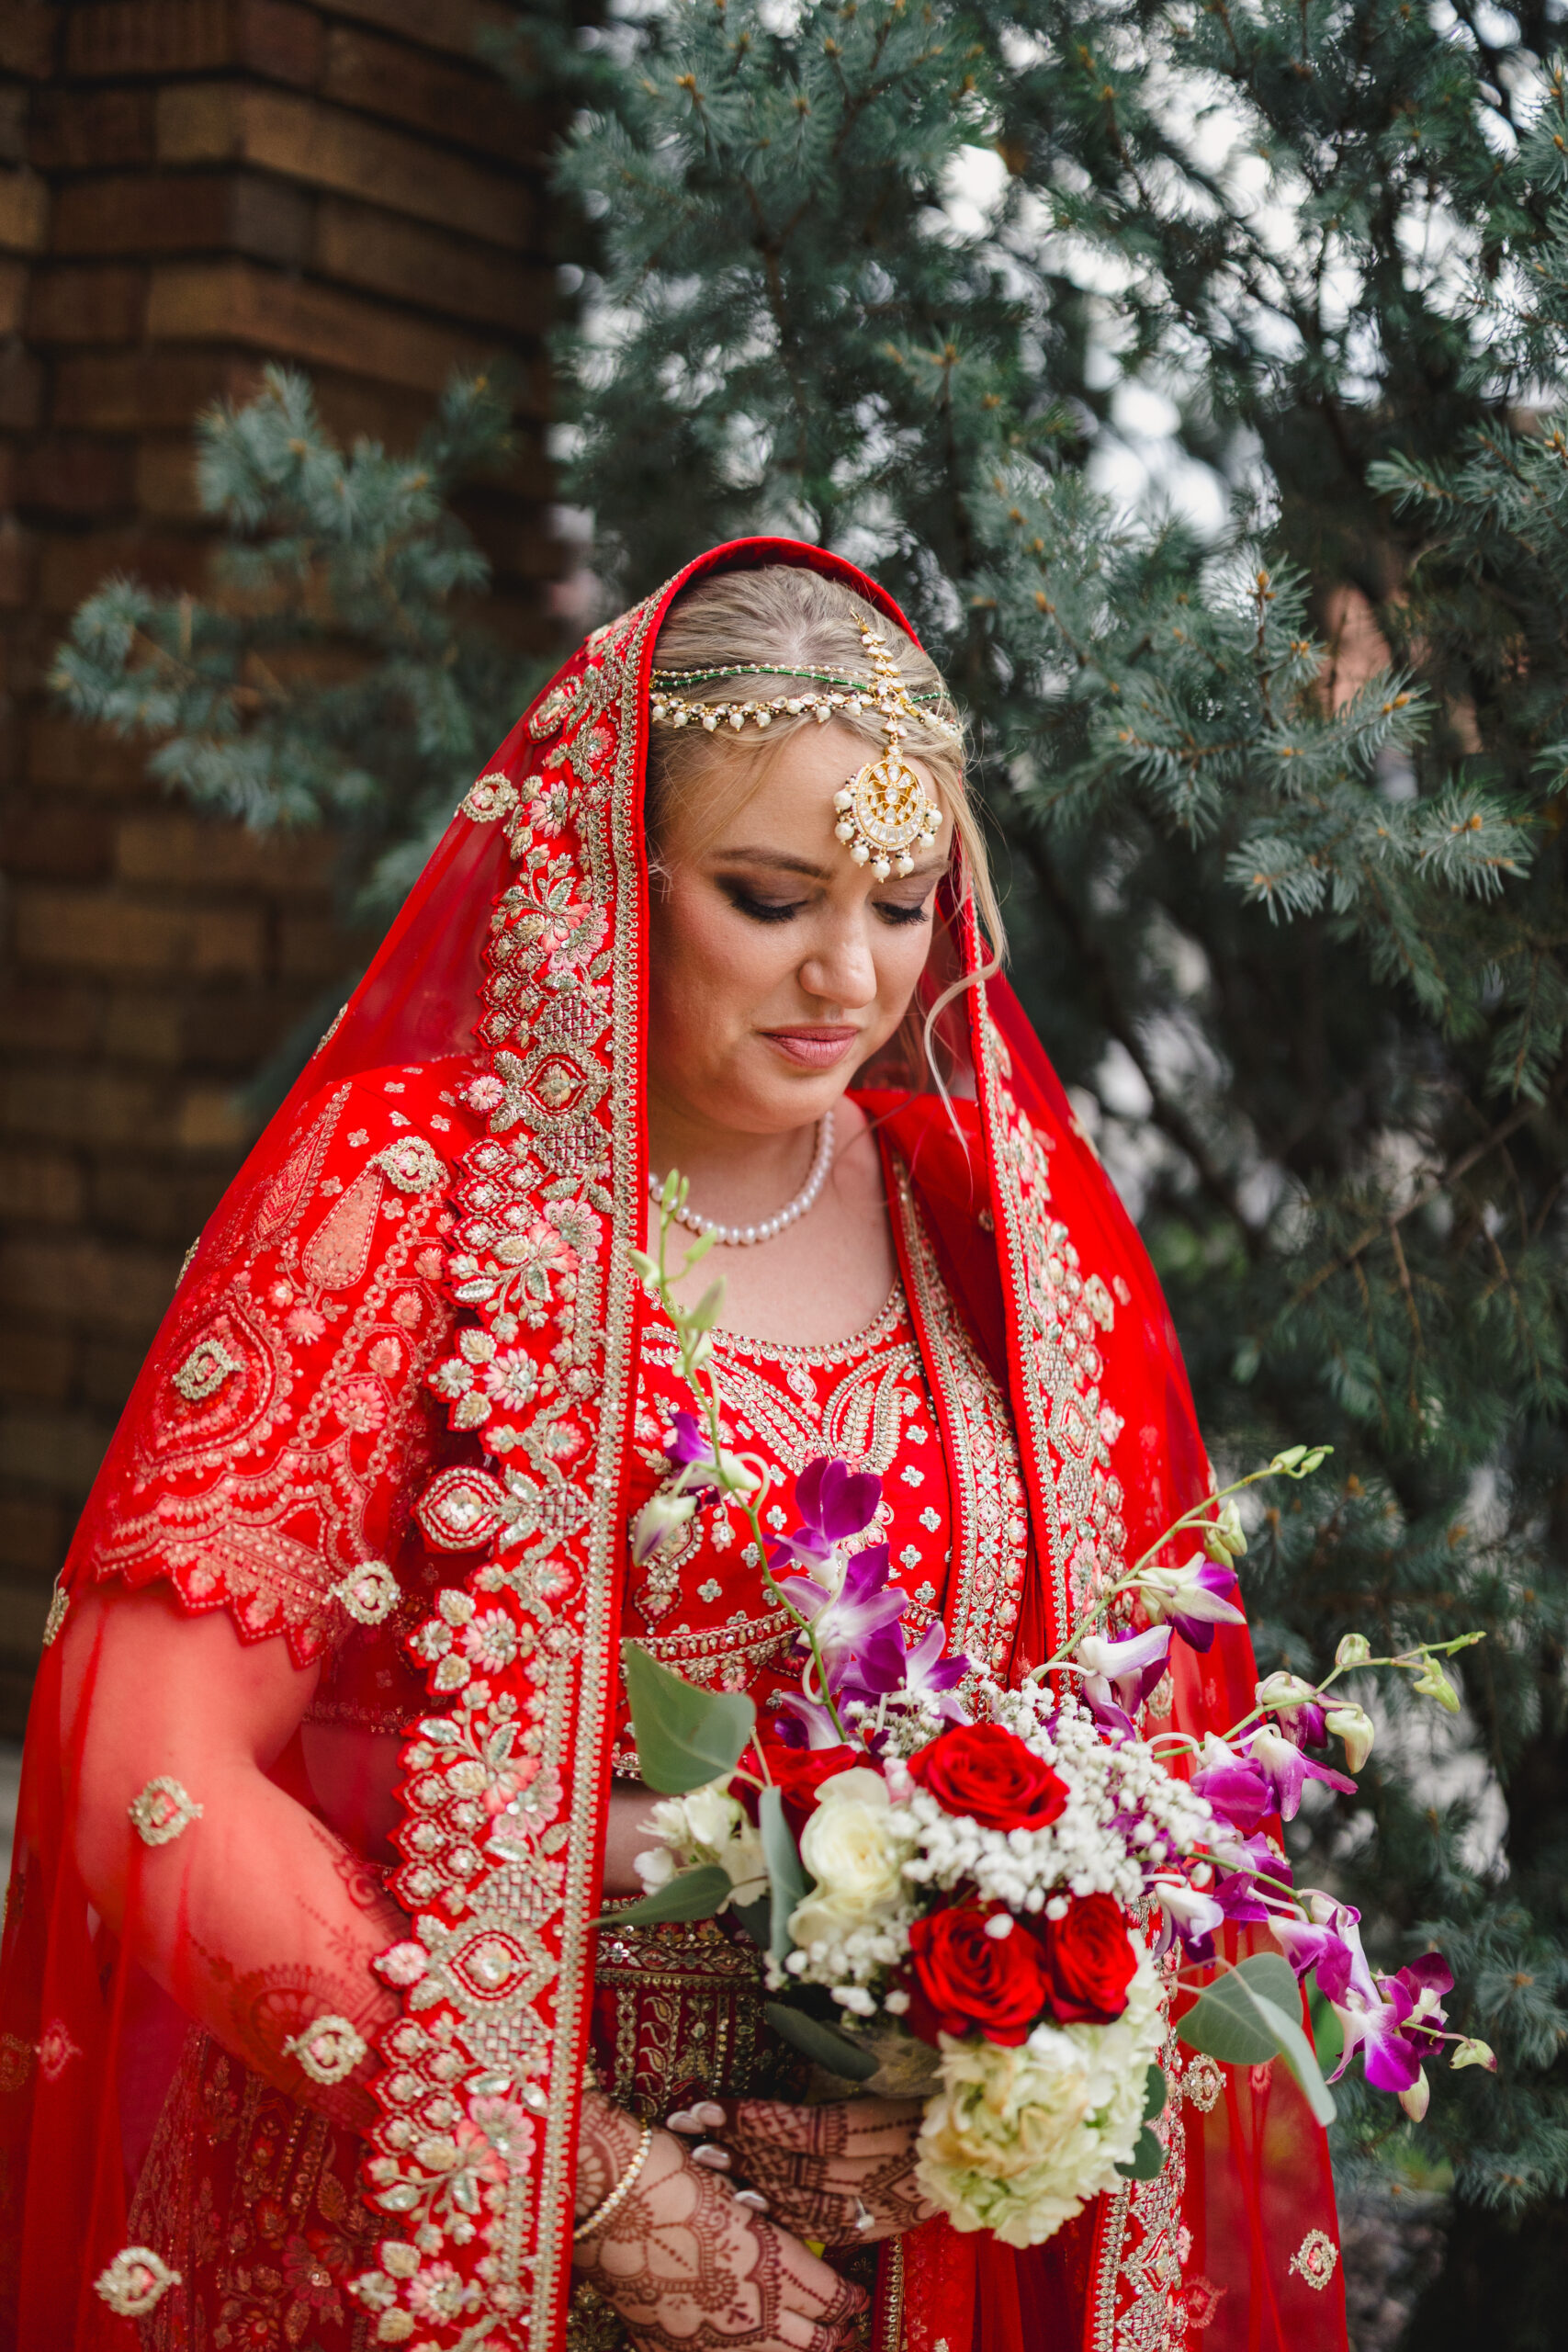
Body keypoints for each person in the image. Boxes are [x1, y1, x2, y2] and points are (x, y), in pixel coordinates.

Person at [0, 542, 1348, 2352]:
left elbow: (1139, 1770)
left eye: (897, 903)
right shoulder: (409, 1194)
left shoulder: (994, 1233)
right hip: (424, 2202)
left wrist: (994, 2093)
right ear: (609, 861)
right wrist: (587, 2176)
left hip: (880, 2255)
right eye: (769, 893)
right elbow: (140, 1775)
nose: (845, 973)